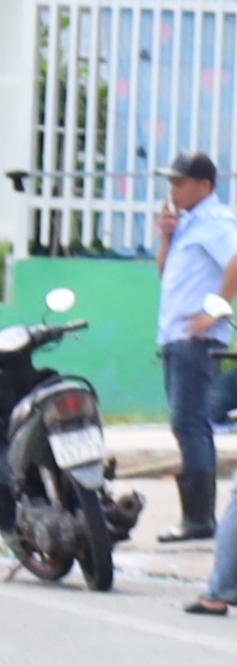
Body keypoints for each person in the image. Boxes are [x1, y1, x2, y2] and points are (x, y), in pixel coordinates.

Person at [153, 151, 237, 540]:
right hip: (177, 337)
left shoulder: (216, 221)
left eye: (180, 182)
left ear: (204, 186)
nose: (173, 189)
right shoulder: (188, 224)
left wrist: (216, 311)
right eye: (171, 181)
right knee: (185, 422)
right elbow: (165, 273)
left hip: (196, 340)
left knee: (190, 422)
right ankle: (196, 517)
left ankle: (199, 519)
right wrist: (167, 237)